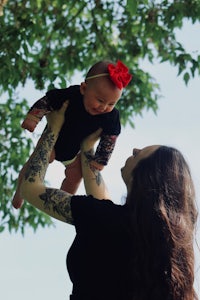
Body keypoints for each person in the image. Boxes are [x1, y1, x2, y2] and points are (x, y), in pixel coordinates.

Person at [19, 103, 198, 300]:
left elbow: (30, 188)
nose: (135, 148)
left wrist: (52, 129)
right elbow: (101, 202)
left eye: (140, 153)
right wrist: (87, 146)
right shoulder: (168, 248)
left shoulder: (104, 218)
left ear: (149, 174)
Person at [12, 60, 132, 209]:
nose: (103, 107)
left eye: (111, 104)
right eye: (100, 100)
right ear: (83, 88)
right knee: (35, 162)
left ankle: (60, 201)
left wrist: (101, 159)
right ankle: (19, 192)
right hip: (54, 142)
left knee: (76, 176)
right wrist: (34, 117)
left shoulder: (111, 116)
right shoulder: (72, 95)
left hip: (74, 152)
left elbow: (110, 137)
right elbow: (49, 99)